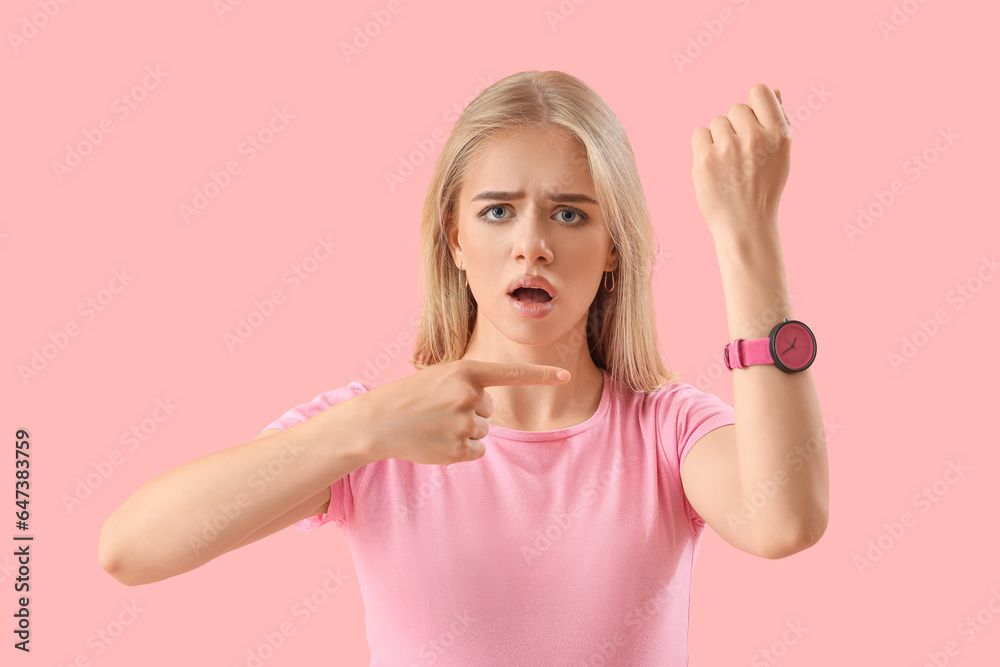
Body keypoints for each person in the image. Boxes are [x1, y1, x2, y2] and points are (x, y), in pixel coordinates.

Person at [100, 70, 828, 666]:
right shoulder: (380, 431)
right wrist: (358, 430)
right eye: (497, 211)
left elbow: (784, 518)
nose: (532, 244)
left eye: (570, 214)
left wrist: (747, 236)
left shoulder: (667, 431)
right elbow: (131, 548)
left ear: (614, 245)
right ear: (453, 236)